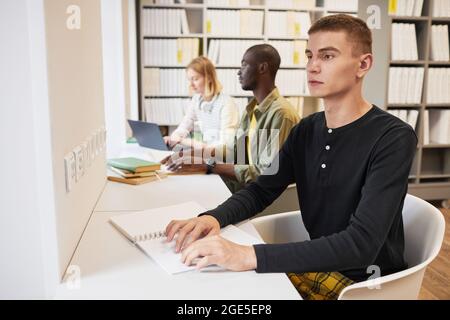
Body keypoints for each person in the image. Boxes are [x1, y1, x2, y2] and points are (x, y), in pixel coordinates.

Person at [164, 14, 418, 300]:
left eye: (328, 56)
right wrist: (213, 218)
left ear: (363, 64)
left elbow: (360, 244)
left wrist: (248, 255)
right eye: (310, 55)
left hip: (363, 284)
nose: (313, 66)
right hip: (320, 266)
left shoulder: (393, 137)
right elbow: (262, 189)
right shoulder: (306, 129)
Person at [163, 44, 300, 193]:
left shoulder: (281, 114)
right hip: (243, 188)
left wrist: (208, 166)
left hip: (260, 197)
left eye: (244, 65)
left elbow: (263, 173)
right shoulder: (252, 110)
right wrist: (188, 155)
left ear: (262, 68)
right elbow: (232, 150)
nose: (238, 72)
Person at [163, 56, 239, 150]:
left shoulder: (227, 103)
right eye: (189, 80)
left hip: (224, 157)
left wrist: (188, 142)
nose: (191, 85)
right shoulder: (197, 99)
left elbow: (226, 145)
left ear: (209, 78)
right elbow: (185, 124)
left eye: (195, 79)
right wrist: (173, 138)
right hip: (207, 153)